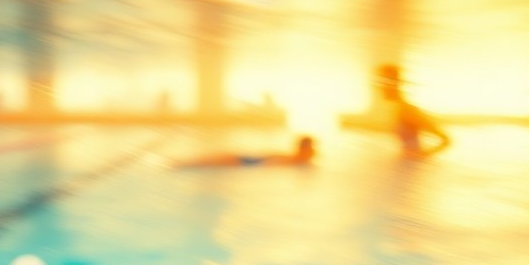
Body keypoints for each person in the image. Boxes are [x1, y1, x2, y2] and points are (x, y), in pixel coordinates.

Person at [350, 64, 450, 158]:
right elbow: (385, 128)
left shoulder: (408, 110)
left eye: (384, 83)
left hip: (411, 166)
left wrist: (423, 155)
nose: (380, 88)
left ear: (395, 85)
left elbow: (445, 139)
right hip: (405, 164)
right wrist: (357, 125)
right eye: (379, 82)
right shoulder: (396, 110)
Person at [174, 135, 316, 168]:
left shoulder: (292, 158)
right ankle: (183, 163)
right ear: (304, 149)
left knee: (211, 161)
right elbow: (267, 163)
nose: (313, 152)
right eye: (310, 149)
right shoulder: (293, 160)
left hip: (250, 158)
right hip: (249, 161)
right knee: (211, 163)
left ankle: (182, 163)